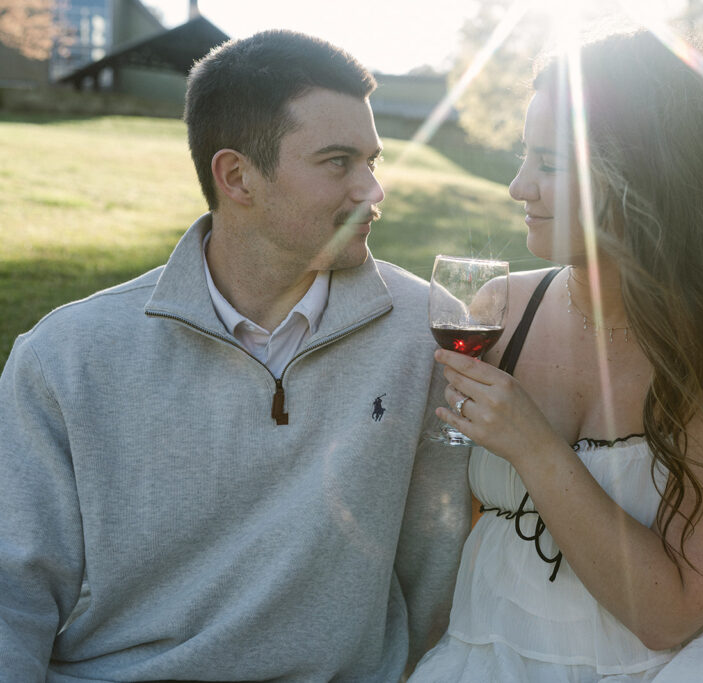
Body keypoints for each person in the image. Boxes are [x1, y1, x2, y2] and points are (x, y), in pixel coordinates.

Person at [0, 30, 469, 681]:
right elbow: (10, 595)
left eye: (373, 161)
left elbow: (440, 562)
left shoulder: (425, 334)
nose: (372, 190)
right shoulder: (68, 356)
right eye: (338, 163)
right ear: (237, 176)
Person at [409, 30, 703, 682]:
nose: (518, 186)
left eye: (550, 164)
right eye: (522, 156)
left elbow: (668, 616)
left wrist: (532, 443)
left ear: (647, 176)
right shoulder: (502, 315)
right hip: (488, 655)